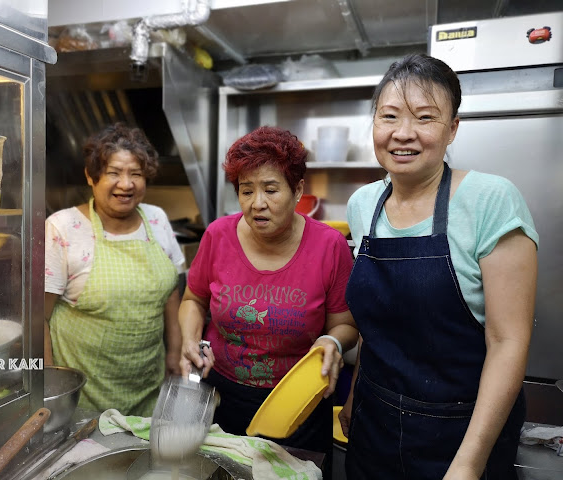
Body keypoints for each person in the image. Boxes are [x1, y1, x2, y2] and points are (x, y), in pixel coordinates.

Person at [339, 54, 538, 480]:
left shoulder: (491, 200)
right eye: (388, 116)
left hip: (462, 432)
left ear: (452, 129)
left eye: (425, 118)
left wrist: (469, 462)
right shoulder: (363, 205)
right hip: (374, 422)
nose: (403, 133)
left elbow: (507, 342)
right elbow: (377, 324)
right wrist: (357, 394)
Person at [178, 126, 359, 460]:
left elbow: (345, 325)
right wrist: (190, 340)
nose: (257, 204)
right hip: (221, 398)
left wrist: (332, 341)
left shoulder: (329, 246)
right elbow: (193, 299)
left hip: (298, 403)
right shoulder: (218, 235)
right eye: (246, 191)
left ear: (297, 189)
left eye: (271, 190)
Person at [44, 123, 185, 416]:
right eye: (114, 173)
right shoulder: (63, 227)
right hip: (84, 397)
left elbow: (172, 290)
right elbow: (40, 318)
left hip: (148, 388)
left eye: (136, 174)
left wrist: (174, 351)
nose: (126, 184)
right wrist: (51, 385)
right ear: (91, 176)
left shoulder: (156, 219)